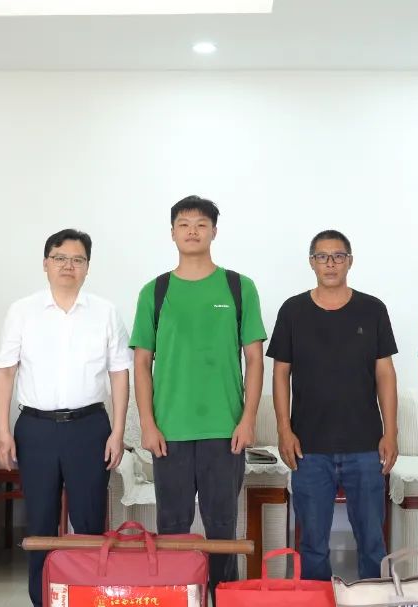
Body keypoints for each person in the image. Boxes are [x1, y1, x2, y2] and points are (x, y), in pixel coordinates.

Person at [130, 195, 266, 601]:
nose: (192, 231)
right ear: (172, 233)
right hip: (169, 432)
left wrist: (247, 419)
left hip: (225, 431)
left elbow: (254, 360)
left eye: (201, 224)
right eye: (184, 224)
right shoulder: (155, 291)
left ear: (214, 232)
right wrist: (148, 424)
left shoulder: (239, 287)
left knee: (222, 528)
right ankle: (177, 597)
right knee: (172, 528)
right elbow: (141, 363)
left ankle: (222, 597)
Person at [0, 229, 131, 607]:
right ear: (45, 263)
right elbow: (4, 372)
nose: (68, 265)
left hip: (89, 428)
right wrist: (2, 431)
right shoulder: (23, 310)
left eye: (77, 259)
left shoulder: (105, 311)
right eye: (60, 258)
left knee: (88, 522)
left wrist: (117, 432)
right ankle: (42, 598)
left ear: (87, 266)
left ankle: (86, 597)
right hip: (35, 429)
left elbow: (120, 373)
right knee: (40, 522)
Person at [267, 229, 398, 581]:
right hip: (309, 447)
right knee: (312, 544)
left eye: (338, 256)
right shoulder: (293, 310)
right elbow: (280, 374)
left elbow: (385, 373)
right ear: (311, 262)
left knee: (372, 541)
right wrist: (284, 430)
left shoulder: (372, 309)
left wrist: (391, 432)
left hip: (365, 446)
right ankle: (318, 600)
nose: (330, 263)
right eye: (322, 256)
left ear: (349, 261)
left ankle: (373, 601)